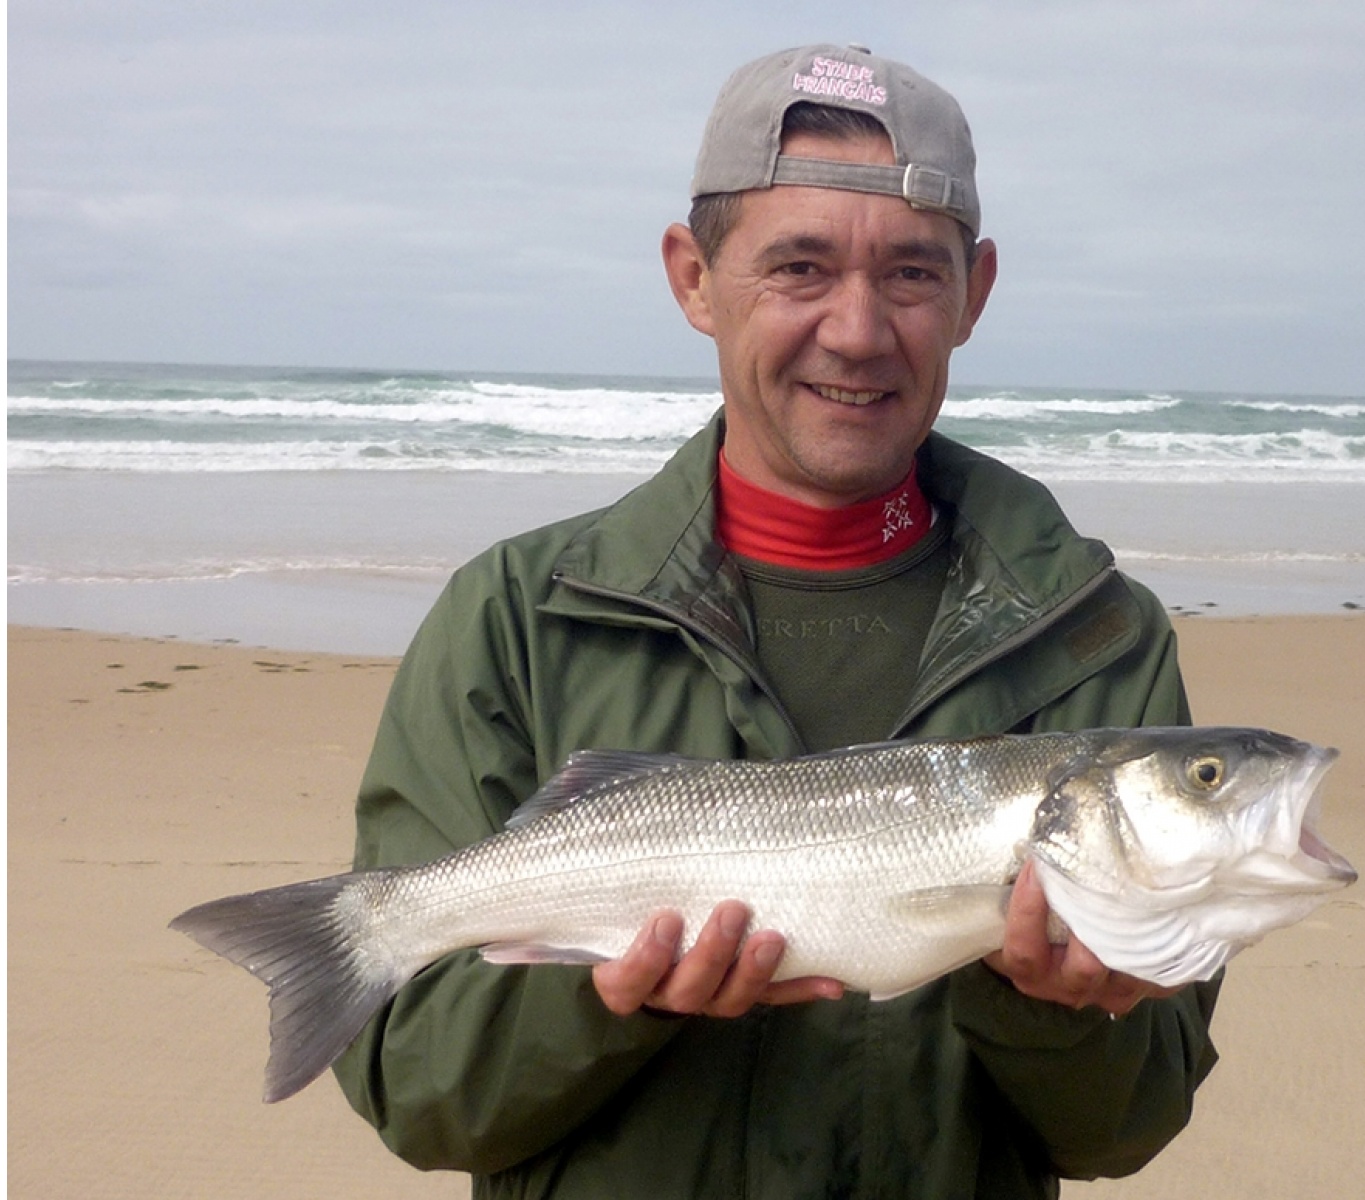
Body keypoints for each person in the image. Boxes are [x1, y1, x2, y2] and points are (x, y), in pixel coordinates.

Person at [332, 43, 1221, 1199]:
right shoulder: (513, 619)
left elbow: (1126, 1128)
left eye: (910, 274)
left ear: (975, 292)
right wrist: (600, 996)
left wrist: (1043, 1008)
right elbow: (417, 1091)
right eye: (798, 267)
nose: (856, 331)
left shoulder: (1095, 638)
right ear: (693, 277)